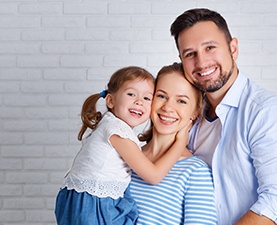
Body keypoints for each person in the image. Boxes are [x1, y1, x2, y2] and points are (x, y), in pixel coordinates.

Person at [170, 8, 277, 225]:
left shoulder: (266, 113)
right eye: (190, 54)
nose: (201, 62)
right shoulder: (187, 114)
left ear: (233, 48)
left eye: (210, 47)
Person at [54, 66, 191, 225]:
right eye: (131, 94)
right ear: (111, 100)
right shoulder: (117, 130)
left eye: (147, 98)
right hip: (94, 204)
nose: (139, 101)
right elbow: (153, 176)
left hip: (83, 201)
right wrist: (180, 142)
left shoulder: (109, 124)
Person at [130, 62, 217, 225]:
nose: (168, 107)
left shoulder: (194, 172)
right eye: (162, 96)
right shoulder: (127, 158)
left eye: (182, 101)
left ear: (195, 112)